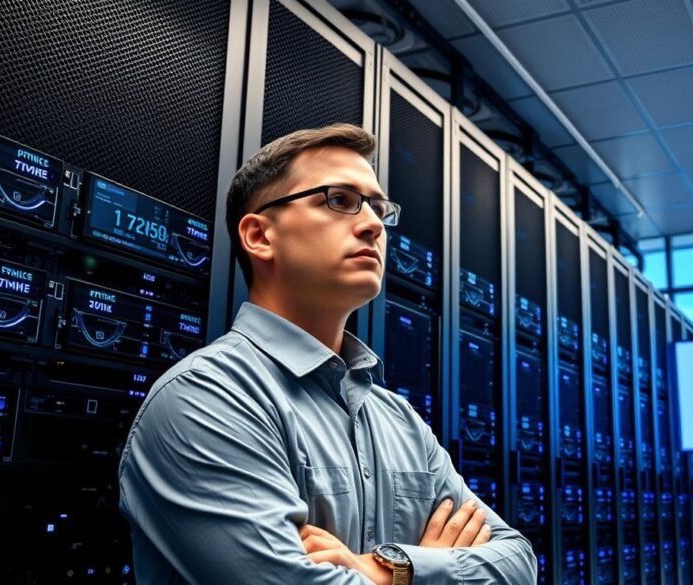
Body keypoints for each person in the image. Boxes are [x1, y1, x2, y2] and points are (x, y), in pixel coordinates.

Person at [118, 124, 537, 584]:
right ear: (259, 235)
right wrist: (423, 570)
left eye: (379, 208)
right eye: (338, 200)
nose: (374, 224)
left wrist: (392, 569)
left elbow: (518, 563)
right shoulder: (206, 399)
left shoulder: (398, 419)